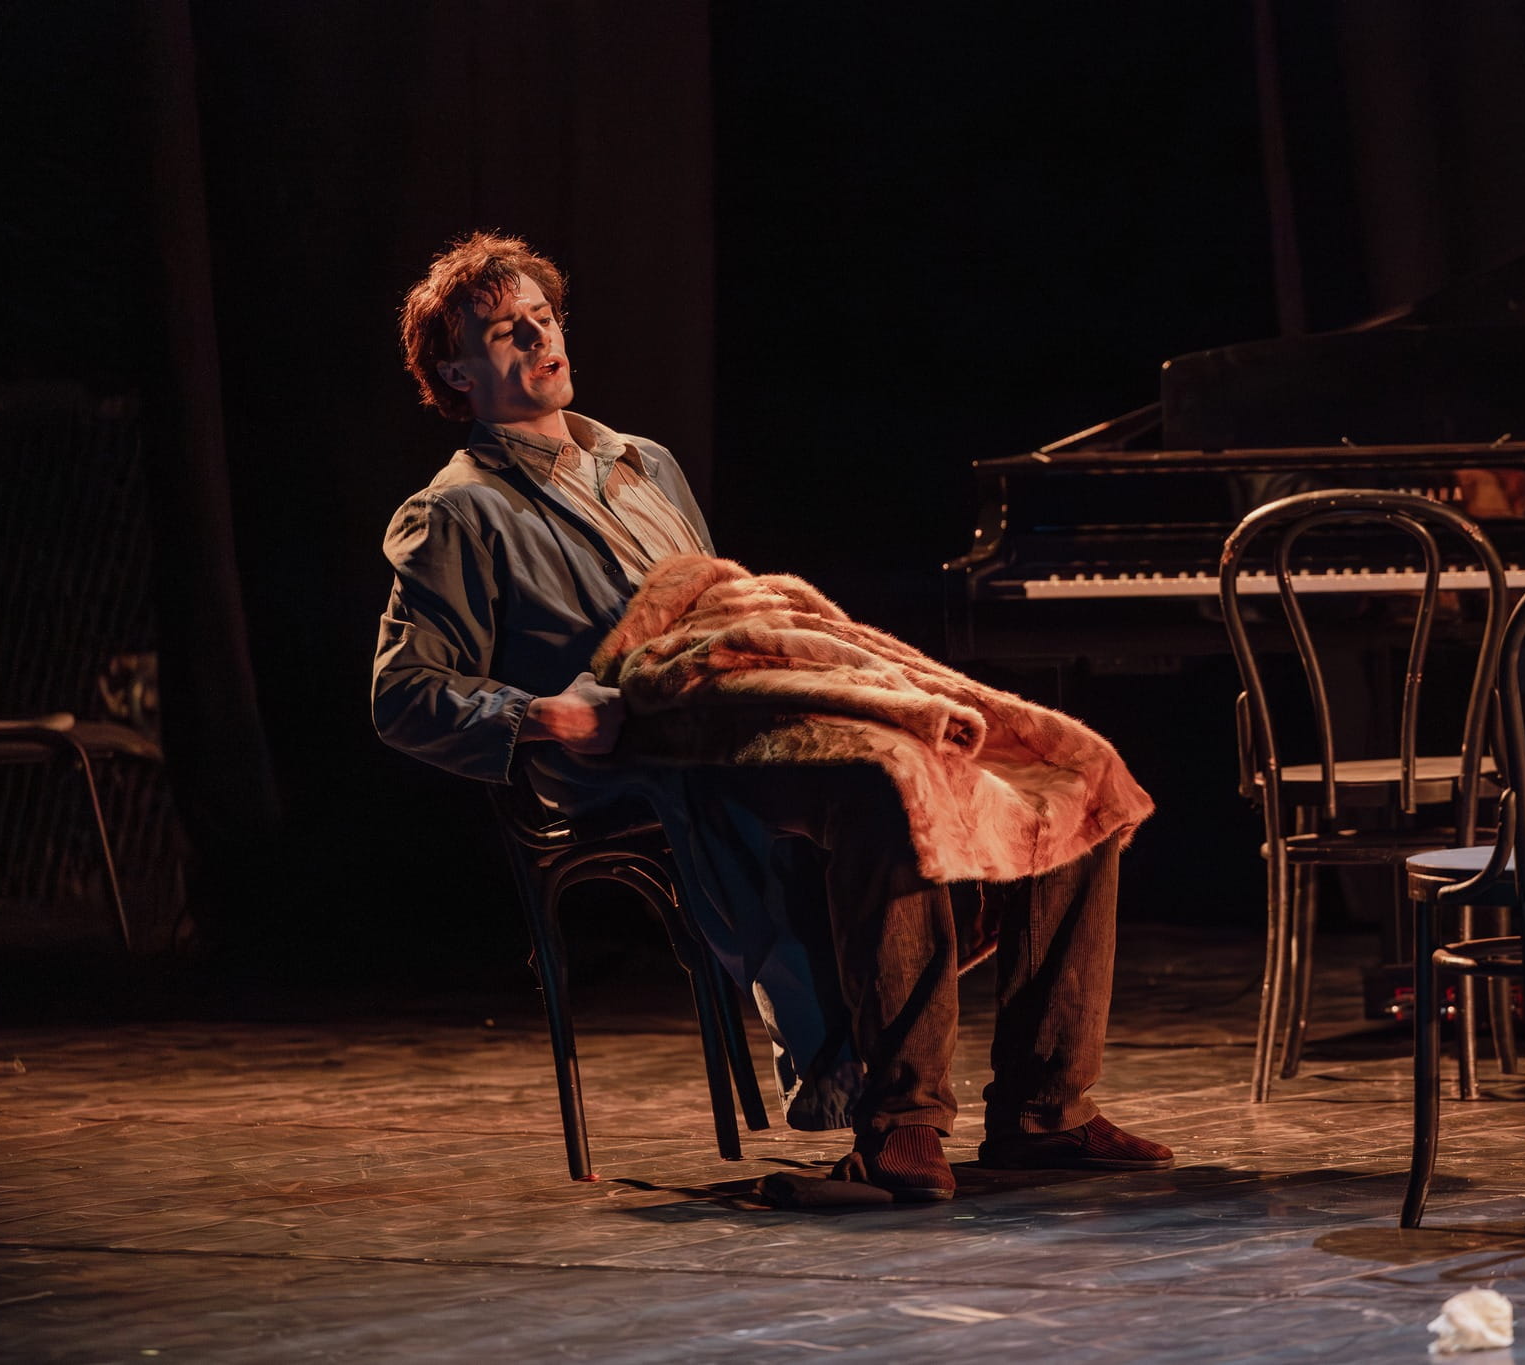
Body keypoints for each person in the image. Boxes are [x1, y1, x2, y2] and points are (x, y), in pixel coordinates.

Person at [371, 232, 1171, 1201]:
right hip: (644, 749)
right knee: (883, 785)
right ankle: (902, 1122)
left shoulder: (645, 462)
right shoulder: (454, 511)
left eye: (545, 318)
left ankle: (1044, 1108)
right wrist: (543, 715)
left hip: (744, 704)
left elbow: (717, 607)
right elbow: (404, 693)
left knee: (1060, 764)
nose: (542, 341)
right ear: (456, 372)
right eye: (508, 331)